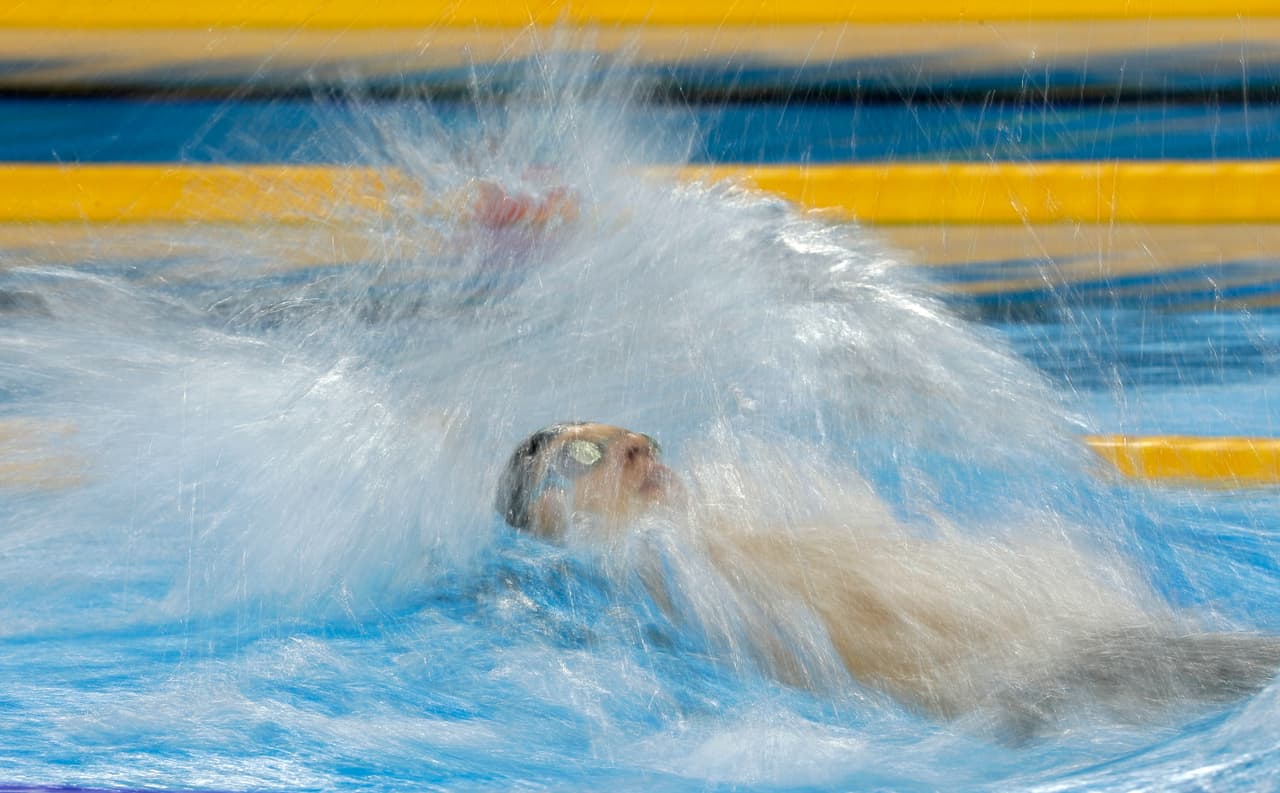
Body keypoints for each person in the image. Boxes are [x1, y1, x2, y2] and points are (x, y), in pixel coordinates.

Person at [496, 422, 1280, 740]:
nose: (635, 446)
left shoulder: (711, 538)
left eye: (638, 439)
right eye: (591, 455)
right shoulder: (627, 586)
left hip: (1061, 657)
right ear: (554, 511)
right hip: (1019, 691)